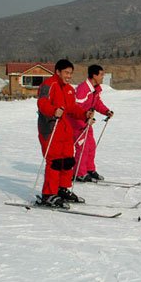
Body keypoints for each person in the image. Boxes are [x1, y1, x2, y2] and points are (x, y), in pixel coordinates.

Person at [36, 59, 95, 207]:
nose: (69, 76)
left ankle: (62, 189)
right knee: (55, 162)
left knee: (67, 161)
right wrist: (53, 111)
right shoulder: (48, 85)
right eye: (66, 73)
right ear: (58, 72)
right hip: (50, 128)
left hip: (64, 130)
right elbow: (42, 103)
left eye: (70, 73)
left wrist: (84, 114)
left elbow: (72, 108)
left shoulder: (69, 89)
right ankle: (48, 194)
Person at [70, 64, 114, 182]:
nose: (102, 77)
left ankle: (89, 169)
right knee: (82, 147)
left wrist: (106, 111)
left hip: (87, 122)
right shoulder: (83, 89)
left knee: (91, 146)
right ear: (94, 75)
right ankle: (79, 173)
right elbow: (75, 107)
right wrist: (85, 118)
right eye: (101, 75)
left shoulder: (96, 89)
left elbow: (97, 103)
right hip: (77, 122)